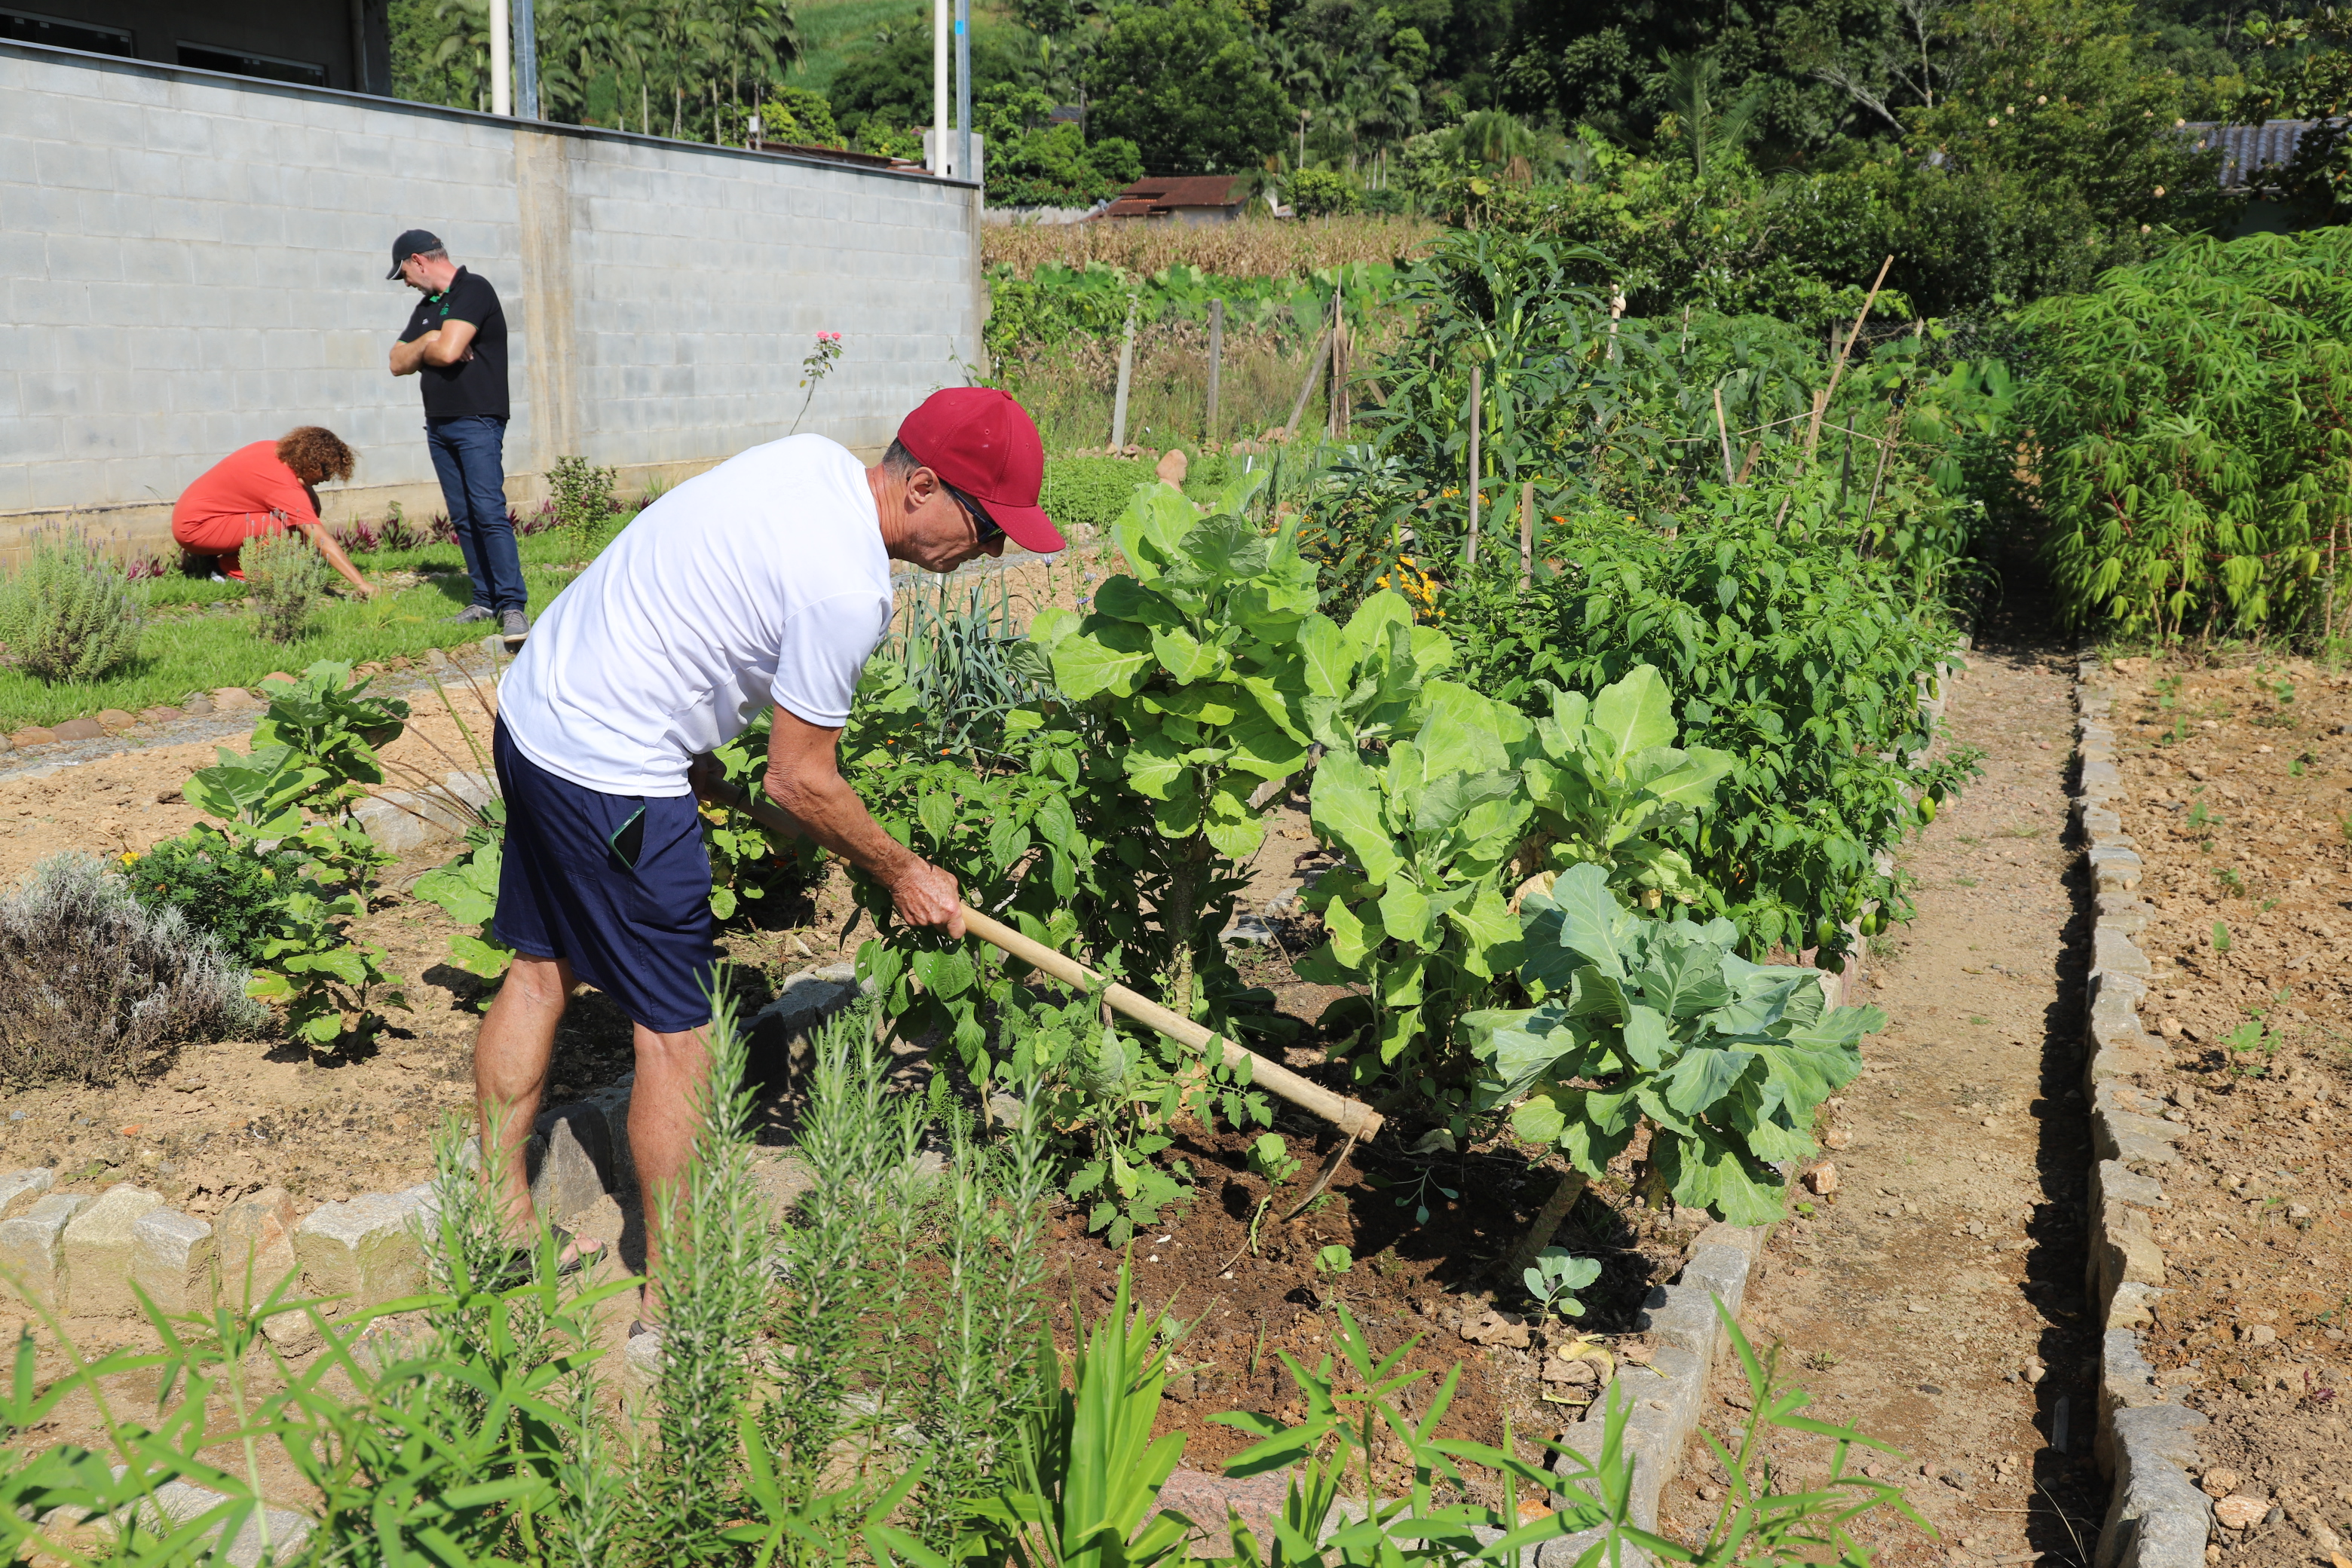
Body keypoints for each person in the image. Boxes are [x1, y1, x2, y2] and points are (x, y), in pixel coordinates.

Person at [474, 387, 1064, 1346]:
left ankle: (497, 1228)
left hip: (539, 706)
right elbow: (801, 781)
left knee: (542, 972)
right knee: (678, 1039)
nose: (992, 552)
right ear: (922, 486)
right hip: (612, 769)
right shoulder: (850, 587)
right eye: (987, 525)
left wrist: (690, 746)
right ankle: (679, 1302)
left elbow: (694, 598)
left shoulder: (810, 467)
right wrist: (906, 871)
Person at [385, 228, 527, 639]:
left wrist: (431, 349)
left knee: (487, 511)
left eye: (404, 273)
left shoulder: (474, 289)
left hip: (477, 419)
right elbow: (396, 362)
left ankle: (513, 605)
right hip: (440, 423)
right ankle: (484, 600)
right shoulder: (428, 308)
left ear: (418, 260)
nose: (406, 282)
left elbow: (449, 354)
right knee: (464, 516)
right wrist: (432, 336)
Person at [170, 427, 377, 597]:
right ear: (311, 462)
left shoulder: (272, 450)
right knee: (289, 527)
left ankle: (243, 562)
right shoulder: (282, 485)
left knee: (302, 512)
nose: (327, 478)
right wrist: (360, 583)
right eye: (326, 471)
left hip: (197, 519)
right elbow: (319, 538)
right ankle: (233, 572)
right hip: (197, 530)